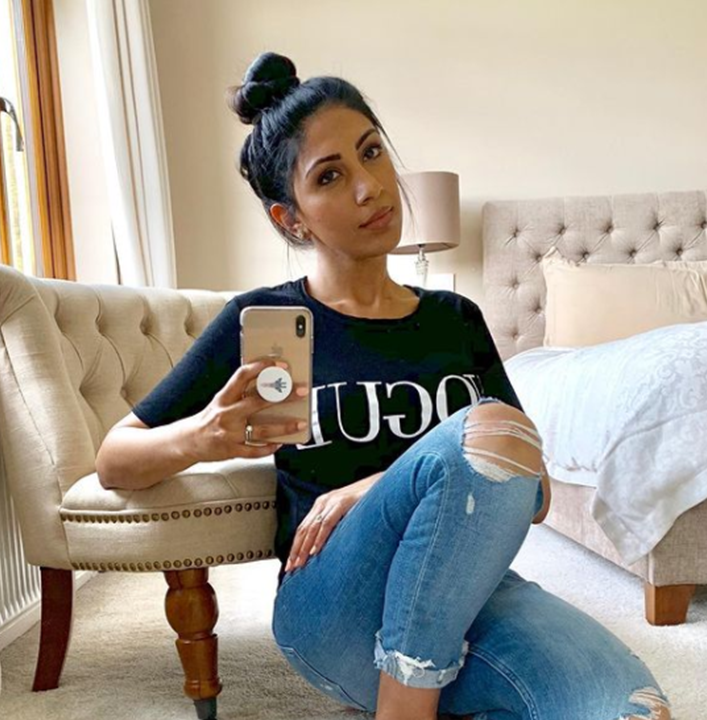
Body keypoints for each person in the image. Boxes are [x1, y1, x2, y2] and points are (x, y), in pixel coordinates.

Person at [99, 51, 673, 720]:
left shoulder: (455, 321)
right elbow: (115, 460)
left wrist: (380, 483)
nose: (370, 186)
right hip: (336, 606)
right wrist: (204, 435)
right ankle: (406, 705)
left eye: (372, 154)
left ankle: (438, 689)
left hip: (471, 596)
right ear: (292, 218)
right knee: (484, 430)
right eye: (332, 175)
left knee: (636, 710)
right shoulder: (266, 319)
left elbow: (534, 490)